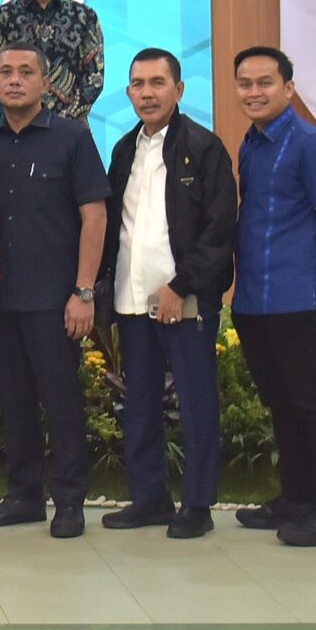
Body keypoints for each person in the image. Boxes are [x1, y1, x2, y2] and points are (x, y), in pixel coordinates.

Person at [97, 49, 236, 540]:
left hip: (186, 301)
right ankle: (149, 499)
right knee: (140, 403)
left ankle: (197, 504)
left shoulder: (202, 147)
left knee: (196, 404)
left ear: (179, 90)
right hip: (133, 302)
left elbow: (220, 230)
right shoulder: (122, 150)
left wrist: (181, 287)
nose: (147, 92)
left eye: (158, 82)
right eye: (138, 84)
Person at [0, 45, 110, 539]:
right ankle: (23, 496)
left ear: (45, 83)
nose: (14, 80)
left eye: (25, 72)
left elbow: (94, 216)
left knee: (62, 401)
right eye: (5, 72)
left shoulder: (71, 138)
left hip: (56, 298)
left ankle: (70, 500)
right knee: (12, 400)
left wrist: (84, 291)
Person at [229, 47, 316, 547]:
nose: (253, 92)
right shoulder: (251, 143)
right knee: (280, 403)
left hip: (297, 296)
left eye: (265, 82)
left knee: (311, 403)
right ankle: (296, 498)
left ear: (289, 88)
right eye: (245, 83)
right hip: (254, 298)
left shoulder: (310, 144)